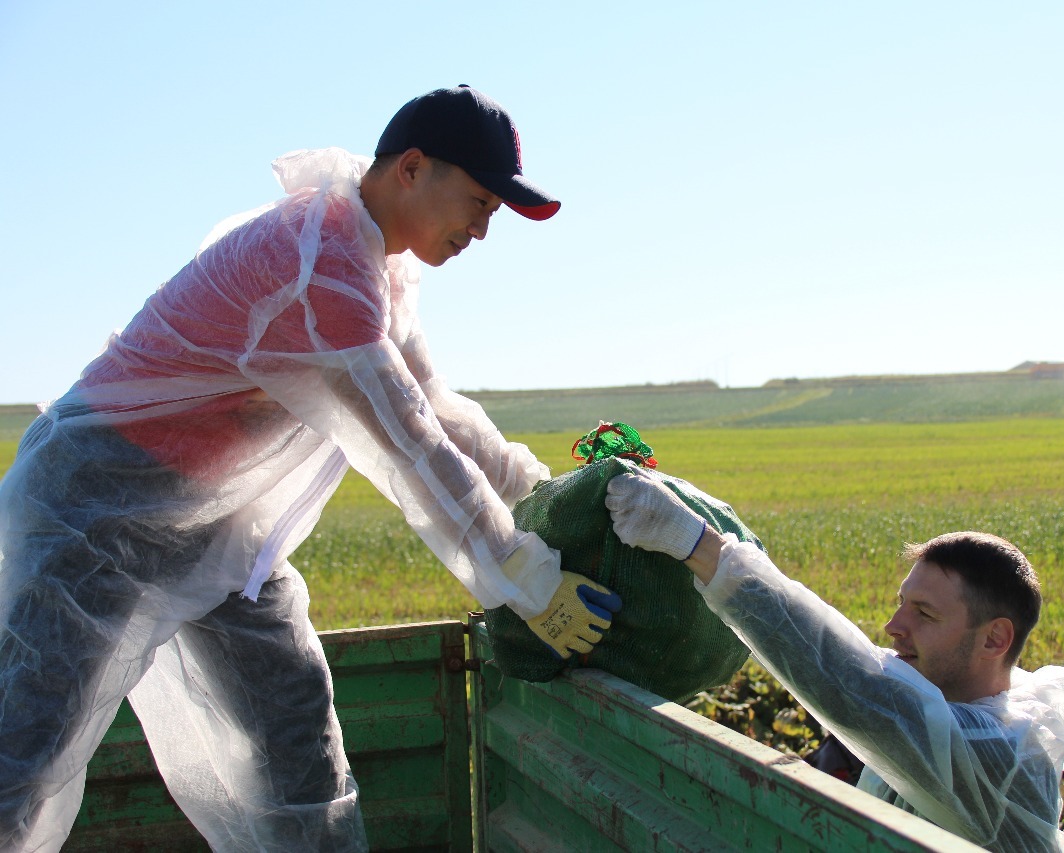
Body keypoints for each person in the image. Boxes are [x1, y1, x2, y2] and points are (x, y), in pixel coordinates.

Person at [0, 85, 621, 852]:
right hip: (97, 509)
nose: (483, 230)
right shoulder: (319, 263)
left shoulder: (372, 266)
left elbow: (435, 406)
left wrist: (542, 490)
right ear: (413, 168)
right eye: (480, 203)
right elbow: (410, 444)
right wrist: (525, 577)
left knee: (295, 726)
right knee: (24, 751)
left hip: (213, 527)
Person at [605, 469, 1064, 852]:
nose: (893, 628)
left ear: (995, 641)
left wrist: (698, 545)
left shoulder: (998, 752)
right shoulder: (963, 705)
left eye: (924, 613)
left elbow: (853, 684)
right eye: (902, 602)